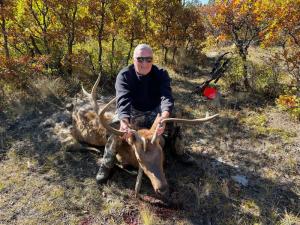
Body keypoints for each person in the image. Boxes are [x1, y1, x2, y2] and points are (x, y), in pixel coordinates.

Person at [96, 44, 193, 183]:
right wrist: (124, 122)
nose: (144, 63)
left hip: (154, 112)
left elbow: (166, 97)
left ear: (152, 60)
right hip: (132, 112)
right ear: (133, 59)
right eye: (140, 59)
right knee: (116, 127)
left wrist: (164, 118)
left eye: (148, 59)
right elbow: (123, 100)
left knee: (174, 116)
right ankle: (107, 164)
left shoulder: (161, 73)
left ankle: (179, 151)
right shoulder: (124, 75)